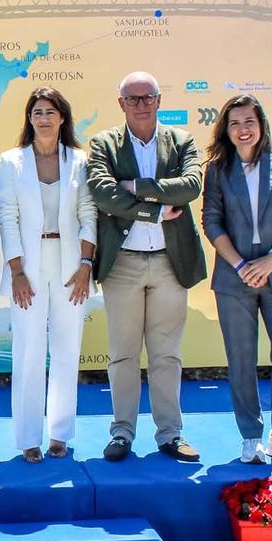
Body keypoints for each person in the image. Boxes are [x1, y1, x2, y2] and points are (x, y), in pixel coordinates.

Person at [87, 71, 207, 463]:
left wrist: (136, 187)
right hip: (122, 265)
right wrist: (154, 212)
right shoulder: (104, 142)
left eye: (148, 97)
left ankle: (170, 434)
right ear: (120, 103)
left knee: (166, 356)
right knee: (122, 354)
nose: (141, 104)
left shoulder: (182, 140)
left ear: (159, 100)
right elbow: (103, 193)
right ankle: (121, 433)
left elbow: (191, 185)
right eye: (132, 98)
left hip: (171, 264)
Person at [200, 95, 272, 464]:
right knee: (241, 358)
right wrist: (242, 264)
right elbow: (211, 221)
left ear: (261, 125)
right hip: (235, 278)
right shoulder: (216, 170)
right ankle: (250, 437)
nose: (243, 129)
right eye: (235, 123)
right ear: (225, 130)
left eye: (249, 121)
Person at [0, 87, 97, 463]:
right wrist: (17, 271)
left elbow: (89, 213)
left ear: (62, 118)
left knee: (68, 351)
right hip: (28, 267)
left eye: (50, 112)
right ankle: (27, 438)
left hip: (72, 267)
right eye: (37, 112)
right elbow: (7, 218)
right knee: (29, 353)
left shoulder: (81, 161)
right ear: (29, 118)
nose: (43, 118)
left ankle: (60, 434)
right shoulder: (11, 161)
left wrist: (86, 266)